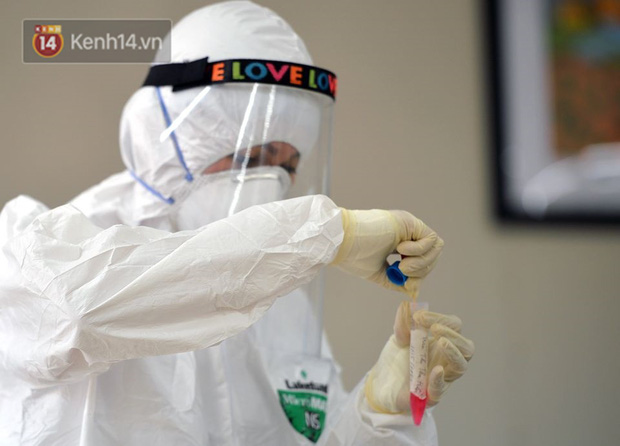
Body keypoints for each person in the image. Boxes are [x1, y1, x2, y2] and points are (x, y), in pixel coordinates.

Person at [0, 2, 473, 445]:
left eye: (288, 166)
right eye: (251, 157)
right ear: (174, 138)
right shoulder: (39, 246)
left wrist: (378, 414)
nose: (271, 183)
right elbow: (81, 315)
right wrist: (329, 233)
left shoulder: (279, 295)